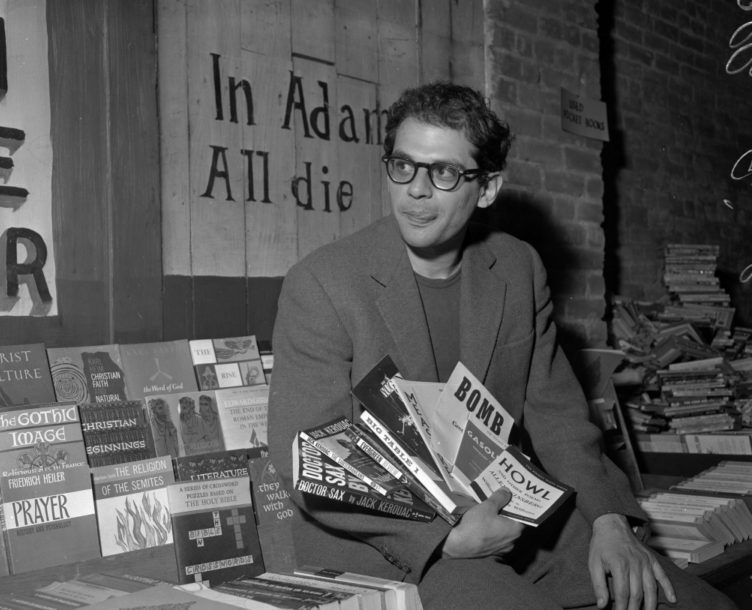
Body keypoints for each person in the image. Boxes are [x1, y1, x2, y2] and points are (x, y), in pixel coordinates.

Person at [267, 82, 736, 610]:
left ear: (487, 188)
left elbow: (556, 413)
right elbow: (309, 453)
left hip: (514, 519)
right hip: (396, 544)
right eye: (403, 165)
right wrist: (443, 539)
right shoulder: (324, 282)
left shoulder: (517, 267)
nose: (415, 190)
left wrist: (609, 520)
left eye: (444, 172)